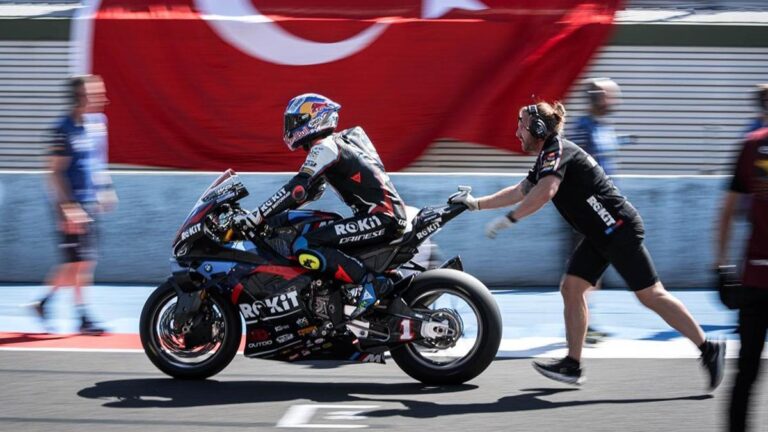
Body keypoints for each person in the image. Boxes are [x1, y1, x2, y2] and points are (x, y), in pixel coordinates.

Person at [449, 100, 725, 388]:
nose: (517, 132)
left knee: (650, 295)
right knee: (571, 288)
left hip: (618, 229)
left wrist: (511, 219)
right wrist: (476, 204)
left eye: (522, 125)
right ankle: (572, 365)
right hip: (600, 234)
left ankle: (708, 349)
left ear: (539, 128)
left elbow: (546, 191)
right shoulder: (549, 155)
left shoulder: (558, 150)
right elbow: (522, 190)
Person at [237, 93, 407, 319]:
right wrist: (271, 219)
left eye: (296, 121)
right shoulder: (337, 143)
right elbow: (309, 192)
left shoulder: (325, 146)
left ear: (315, 119)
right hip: (382, 216)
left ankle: (371, 283)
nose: (290, 127)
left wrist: (258, 215)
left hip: (382, 217)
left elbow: (296, 189)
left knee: (305, 245)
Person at [33, 75, 118, 335]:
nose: (103, 98)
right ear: (80, 97)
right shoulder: (63, 128)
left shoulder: (98, 124)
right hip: (69, 205)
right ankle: (82, 317)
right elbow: (54, 172)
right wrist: (68, 208)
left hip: (88, 203)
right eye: (95, 93)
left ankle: (44, 303)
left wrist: (105, 189)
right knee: (79, 261)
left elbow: (97, 162)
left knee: (80, 262)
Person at [716, 126, 768, 432]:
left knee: (746, 370)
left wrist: (722, 268)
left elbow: (727, 211)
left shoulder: (752, 144)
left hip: (755, 276)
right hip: (755, 277)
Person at [568, 77, 627, 343]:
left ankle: (586, 323)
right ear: (597, 98)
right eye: (609, 95)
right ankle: (580, 325)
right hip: (588, 211)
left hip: (603, 210)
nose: (613, 101)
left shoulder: (603, 127)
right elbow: (572, 169)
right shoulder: (583, 129)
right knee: (584, 271)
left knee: (593, 270)